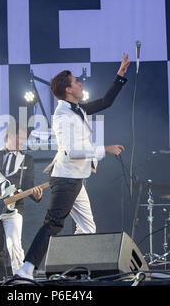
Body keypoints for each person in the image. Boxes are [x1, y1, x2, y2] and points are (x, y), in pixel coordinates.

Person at [16, 53, 131, 279]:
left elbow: (105, 102)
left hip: (76, 179)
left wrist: (119, 76)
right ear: (68, 90)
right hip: (66, 179)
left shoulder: (76, 109)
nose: (80, 83)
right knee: (53, 223)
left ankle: (72, 271)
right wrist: (103, 149)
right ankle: (26, 269)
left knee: (88, 228)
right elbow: (71, 151)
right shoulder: (62, 115)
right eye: (76, 82)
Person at [0, 123, 43, 282]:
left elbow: (28, 186)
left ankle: (20, 279)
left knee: (14, 245)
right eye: (20, 136)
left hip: (14, 208)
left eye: (24, 138)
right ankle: (1, 280)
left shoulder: (27, 159)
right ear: (9, 136)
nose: (23, 141)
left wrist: (37, 196)